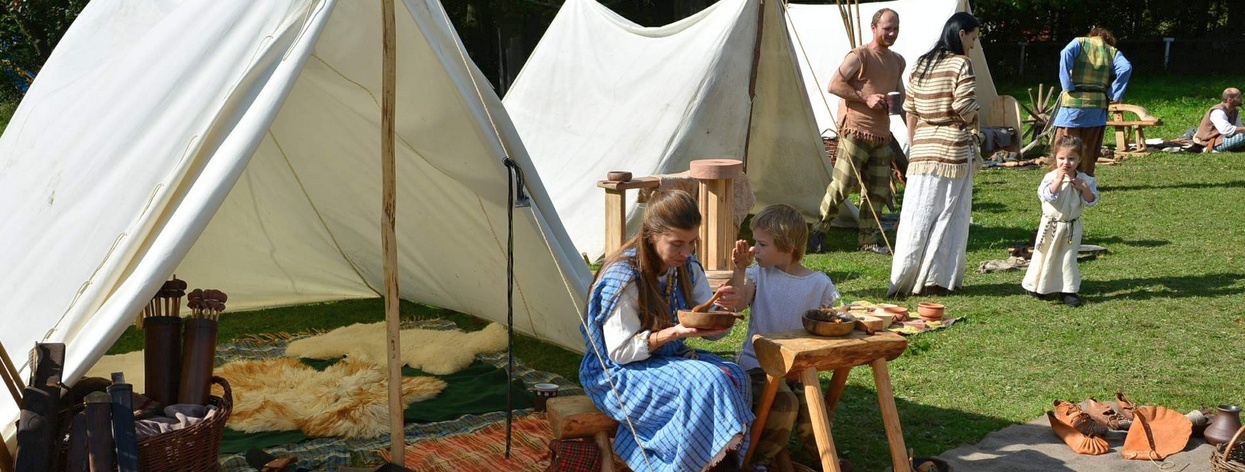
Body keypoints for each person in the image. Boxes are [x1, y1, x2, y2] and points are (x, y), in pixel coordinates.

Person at [579, 189, 754, 472]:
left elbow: (713, 331)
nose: (686, 252)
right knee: (707, 381)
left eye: (692, 242)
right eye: (677, 244)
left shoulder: (686, 267)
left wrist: (722, 311)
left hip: (665, 359)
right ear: (651, 235)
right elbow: (620, 352)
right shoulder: (623, 277)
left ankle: (720, 465)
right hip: (616, 374)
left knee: (736, 376)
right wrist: (675, 333)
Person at [726, 204, 840, 467]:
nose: (754, 249)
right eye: (755, 242)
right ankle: (757, 461)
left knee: (815, 409)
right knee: (785, 403)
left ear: (788, 247)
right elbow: (737, 303)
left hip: (798, 369)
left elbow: (833, 319)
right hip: (758, 367)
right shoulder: (759, 275)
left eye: (762, 244)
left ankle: (816, 460)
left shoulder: (819, 284)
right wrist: (740, 269)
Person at [887, 12, 981, 298]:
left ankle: (906, 276)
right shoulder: (961, 63)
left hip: (923, 149)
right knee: (948, 215)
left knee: (917, 215)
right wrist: (975, 118)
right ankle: (936, 280)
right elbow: (965, 108)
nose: (973, 45)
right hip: (952, 149)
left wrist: (916, 144)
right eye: (973, 38)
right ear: (962, 34)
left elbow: (910, 111)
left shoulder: (921, 63)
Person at [812, 8, 905, 255]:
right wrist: (866, 98)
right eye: (887, 28)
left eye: (895, 28)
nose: (892, 33)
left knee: (878, 190)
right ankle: (819, 230)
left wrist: (911, 125)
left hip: (881, 133)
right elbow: (834, 85)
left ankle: (868, 240)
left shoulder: (898, 61)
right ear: (874, 28)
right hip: (855, 129)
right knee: (843, 185)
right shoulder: (859, 56)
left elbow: (901, 96)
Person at [1022, 136, 1099, 307]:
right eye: (1062, 158)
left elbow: (1091, 201)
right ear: (1055, 158)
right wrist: (1058, 180)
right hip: (1051, 225)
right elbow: (1047, 196)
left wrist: (1084, 189)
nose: (1066, 163)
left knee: (1067, 258)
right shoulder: (1050, 177)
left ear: (1079, 159)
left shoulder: (1085, 180)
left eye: (1071, 159)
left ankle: (1068, 291)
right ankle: (1039, 286)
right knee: (1044, 255)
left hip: (1071, 227)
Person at [1052, 27, 1132, 177]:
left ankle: (1061, 179)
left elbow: (1065, 53)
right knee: (1088, 147)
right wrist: (1114, 93)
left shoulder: (1079, 42)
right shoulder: (1112, 51)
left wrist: (1067, 85)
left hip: (1073, 104)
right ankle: (1086, 180)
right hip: (1097, 105)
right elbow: (1126, 68)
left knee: (1065, 144)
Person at [1194, 87, 1245, 152]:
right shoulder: (1218, 111)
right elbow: (1226, 130)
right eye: (1238, 97)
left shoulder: (1234, 111)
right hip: (1213, 142)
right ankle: (1207, 149)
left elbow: (1239, 127)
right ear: (1230, 100)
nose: (1241, 98)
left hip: (1224, 138)